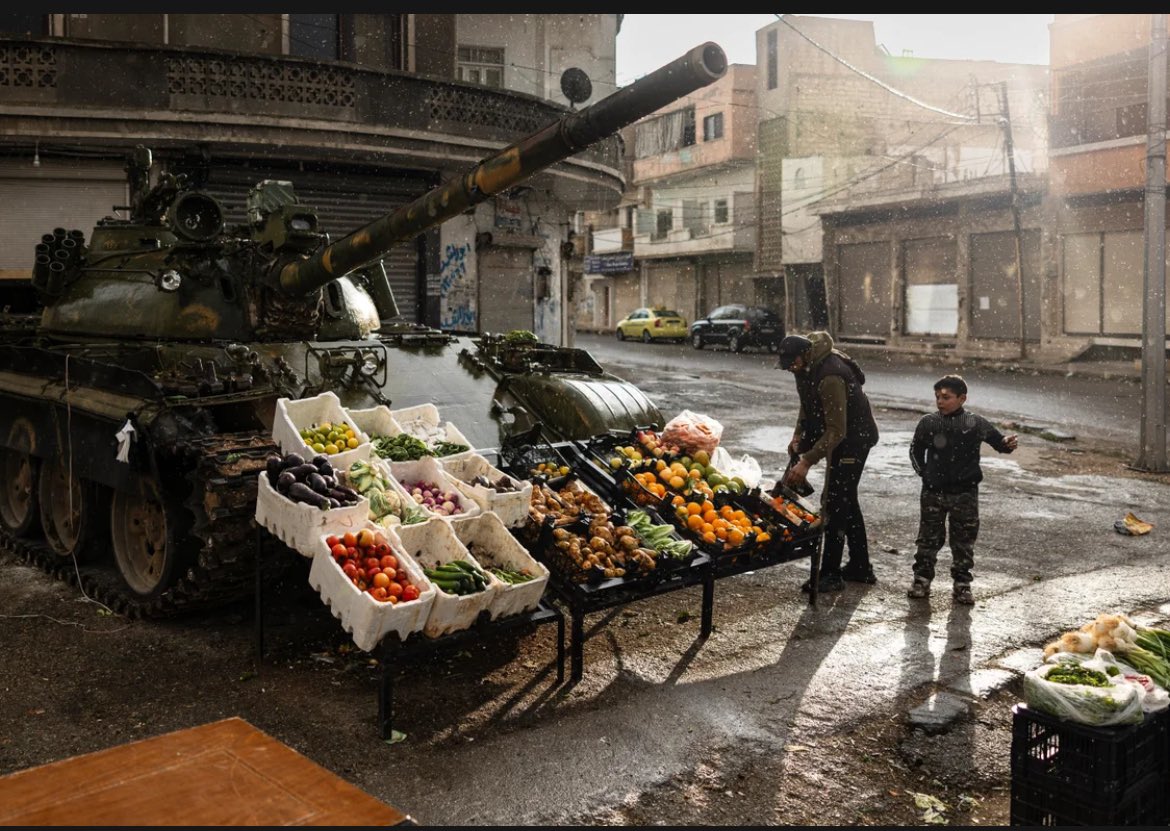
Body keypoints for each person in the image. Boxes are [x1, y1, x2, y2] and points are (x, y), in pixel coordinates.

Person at [777, 331, 880, 593]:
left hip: (855, 439)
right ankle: (860, 566)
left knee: (833, 502)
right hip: (842, 435)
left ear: (805, 354)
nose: (791, 368)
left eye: (792, 363)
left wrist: (807, 461)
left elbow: (837, 430)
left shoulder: (830, 375)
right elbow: (807, 404)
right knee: (845, 498)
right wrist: (798, 434)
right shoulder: (806, 367)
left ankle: (831, 574)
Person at [907, 374, 1018, 606]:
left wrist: (1008, 443)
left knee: (963, 541)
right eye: (937, 397)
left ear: (962, 398)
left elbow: (1000, 444)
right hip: (933, 493)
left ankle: (962, 585)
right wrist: (925, 475)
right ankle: (922, 580)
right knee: (928, 539)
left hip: (965, 493)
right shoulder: (929, 423)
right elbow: (915, 451)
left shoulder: (974, 423)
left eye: (946, 397)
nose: (940, 401)